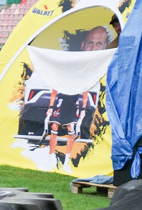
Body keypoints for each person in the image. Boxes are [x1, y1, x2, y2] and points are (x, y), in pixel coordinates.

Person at [44, 26, 108, 173]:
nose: (93, 48)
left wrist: (83, 109)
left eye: (99, 44)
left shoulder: (91, 73)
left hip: (73, 105)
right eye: (90, 43)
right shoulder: (68, 69)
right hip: (61, 103)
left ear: (105, 46)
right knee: (54, 129)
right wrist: (51, 107)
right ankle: (50, 159)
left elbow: (85, 91)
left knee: (71, 132)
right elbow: (55, 88)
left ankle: (66, 162)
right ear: (83, 45)